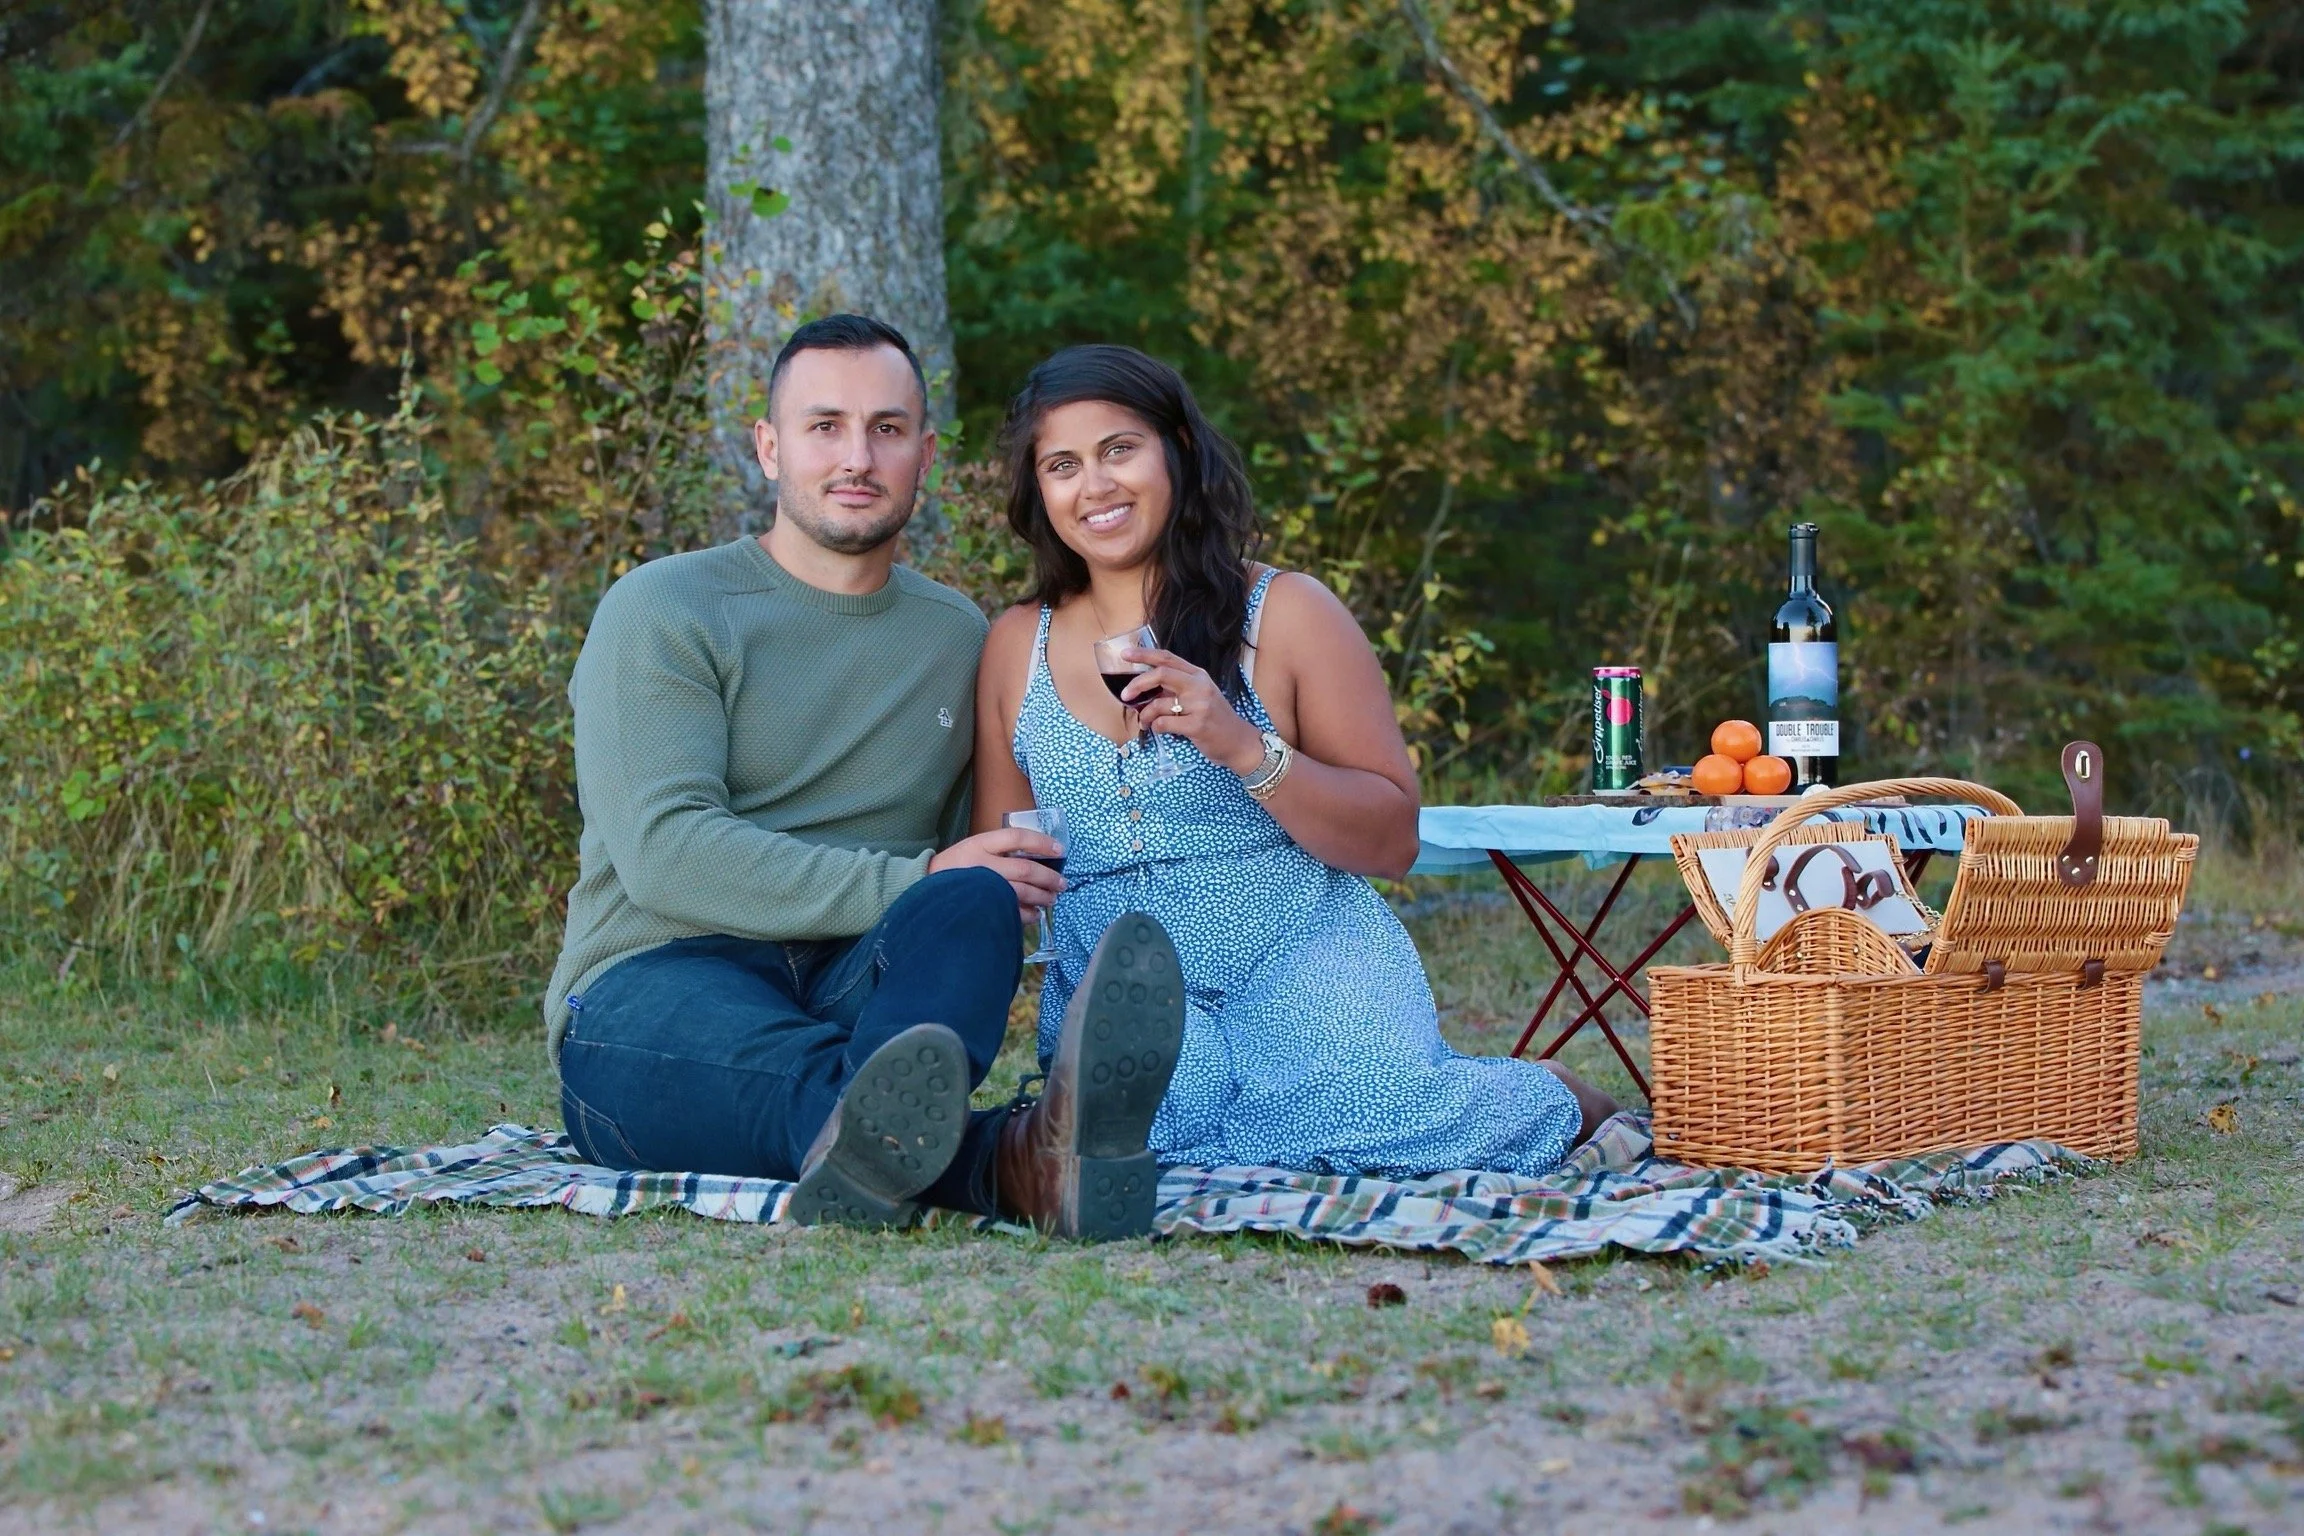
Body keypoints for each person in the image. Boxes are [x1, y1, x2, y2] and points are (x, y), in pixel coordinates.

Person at [544, 315, 1184, 1239]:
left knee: (972, 897)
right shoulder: (668, 607)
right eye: (825, 426)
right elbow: (665, 853)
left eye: (887, 429)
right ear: (769, 448)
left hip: (858, 991)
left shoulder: (956, 636)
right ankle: (1015, 1160)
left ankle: (897, 1139)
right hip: (660, 979)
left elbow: (971, 864)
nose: (858, 457)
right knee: (868, 985)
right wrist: (917, 877)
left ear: (925, 455)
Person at [972, 344, 1617, 1179]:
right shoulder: (1015, 645)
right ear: (1039, 490)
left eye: (1119, 450)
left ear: (1177, 449)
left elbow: (1392, 840)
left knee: (1352, 1123)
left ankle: (1553, 1098)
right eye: (1062, 465)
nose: (1094, 486)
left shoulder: (1285, 612)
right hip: (1126, 990)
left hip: (1296, 954)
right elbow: (1005, 861)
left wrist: (1243, 746)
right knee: (1152, 1141)